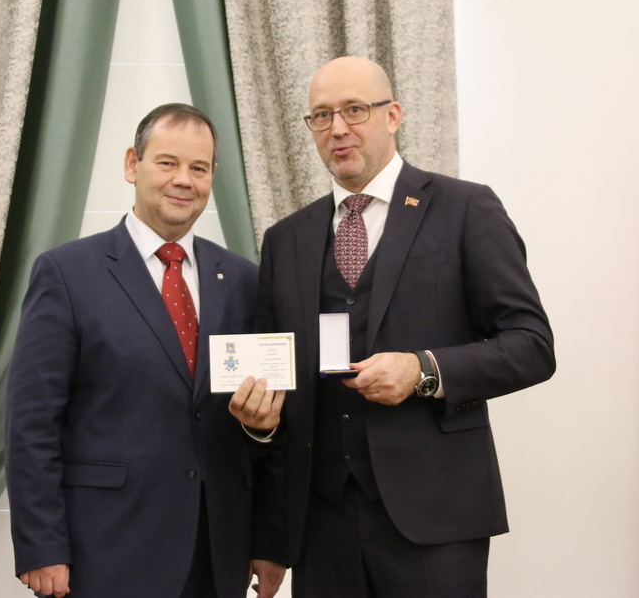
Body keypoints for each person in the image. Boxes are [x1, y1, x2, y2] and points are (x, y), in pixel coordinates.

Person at [237, 57, 555, 597]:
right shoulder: (285, 239)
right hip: (321, 527)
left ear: (393, 116)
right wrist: (269, 529)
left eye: (355, 110)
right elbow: (278, 391)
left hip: (436, 519)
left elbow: (532, 346)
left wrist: (423, 370)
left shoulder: (465, 208)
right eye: (321, 116)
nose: (338, 128)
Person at [5, 103, 284, 598]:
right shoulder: (67, 274)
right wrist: (41, 545)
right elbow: (32, 422)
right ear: (133, 164)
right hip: (107, 550)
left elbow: (259, 427)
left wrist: (268, 536)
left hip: (218, 552)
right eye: (167, 163)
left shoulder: (244, 279)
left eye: (199, 168)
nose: (184, 180)